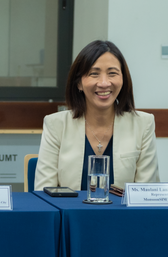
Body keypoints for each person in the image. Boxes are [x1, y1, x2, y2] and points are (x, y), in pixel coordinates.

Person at [34, 40, 159, 191]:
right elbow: (44, 192)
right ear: (79, 83)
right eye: (94, 74)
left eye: (112, 73)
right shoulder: (56, 125)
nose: (104, 83)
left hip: (124, 208)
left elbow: (146, 194)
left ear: (123, 80)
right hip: (69, 208)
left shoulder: (143, 124)